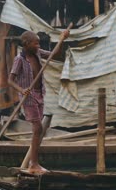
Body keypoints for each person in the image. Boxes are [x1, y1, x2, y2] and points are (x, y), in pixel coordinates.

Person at [8, 30, 70, 174]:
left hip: (39, 94)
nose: (38, 45)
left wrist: (62, 39)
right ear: (26, 44)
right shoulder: (20, 59)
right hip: (28, 97)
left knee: (39, 129)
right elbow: (10, 80)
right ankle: (33, 163)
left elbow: (54, 54)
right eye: (35, 43)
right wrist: (22, 90)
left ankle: (33, 162)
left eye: (38, 43)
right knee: (37, 128)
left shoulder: (37, 52)